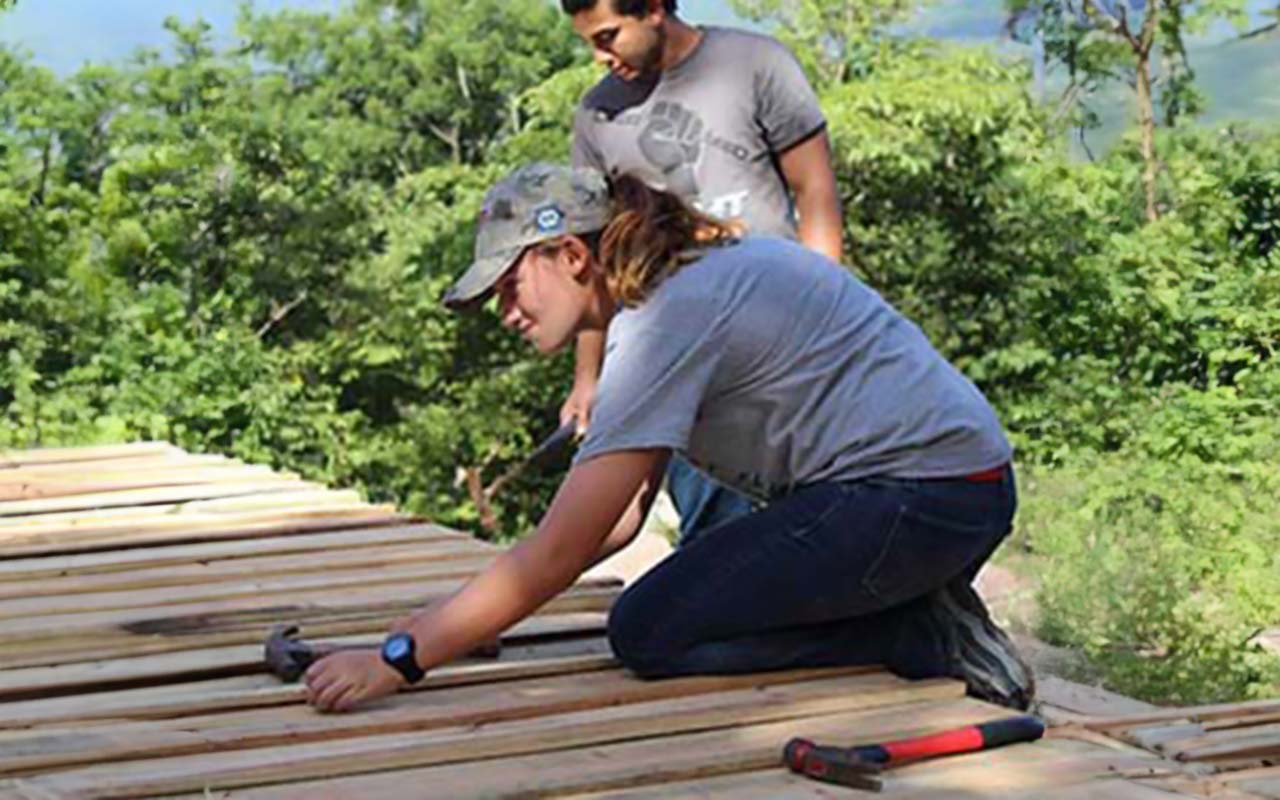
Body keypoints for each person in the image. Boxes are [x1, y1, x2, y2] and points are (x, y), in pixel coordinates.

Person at [302, 163, 1035, 714]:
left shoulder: (663, 323)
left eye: (509, 285)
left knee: (651, 632)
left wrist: (401, 659)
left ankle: (920, 634)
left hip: (919, 503)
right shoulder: (677, 293)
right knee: (676, 605)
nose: (505, 312)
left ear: (570, 255)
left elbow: (559, 550)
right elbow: (613, 523)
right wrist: (454, 626)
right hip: (940, 498)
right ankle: (908, 609)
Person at [560, 0, 844, 545]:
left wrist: (822, 306)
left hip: (775, 334)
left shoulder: (753, 63)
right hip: (676, 354)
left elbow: (815, 190)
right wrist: (588, 378)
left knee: (815, 509)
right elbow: (599, 262)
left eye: (608, 36)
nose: (599, 56)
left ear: (653, 10)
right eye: (590, 41)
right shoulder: (597, 116)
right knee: (715, 532)